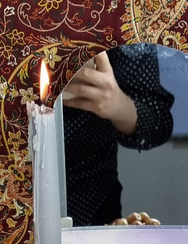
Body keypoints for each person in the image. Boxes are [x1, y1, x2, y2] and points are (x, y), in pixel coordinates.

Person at [61, 44, 175, 226]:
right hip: (12, 195)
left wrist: (119, 106)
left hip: (92, 209)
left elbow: (158, 122)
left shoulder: (125, 29)